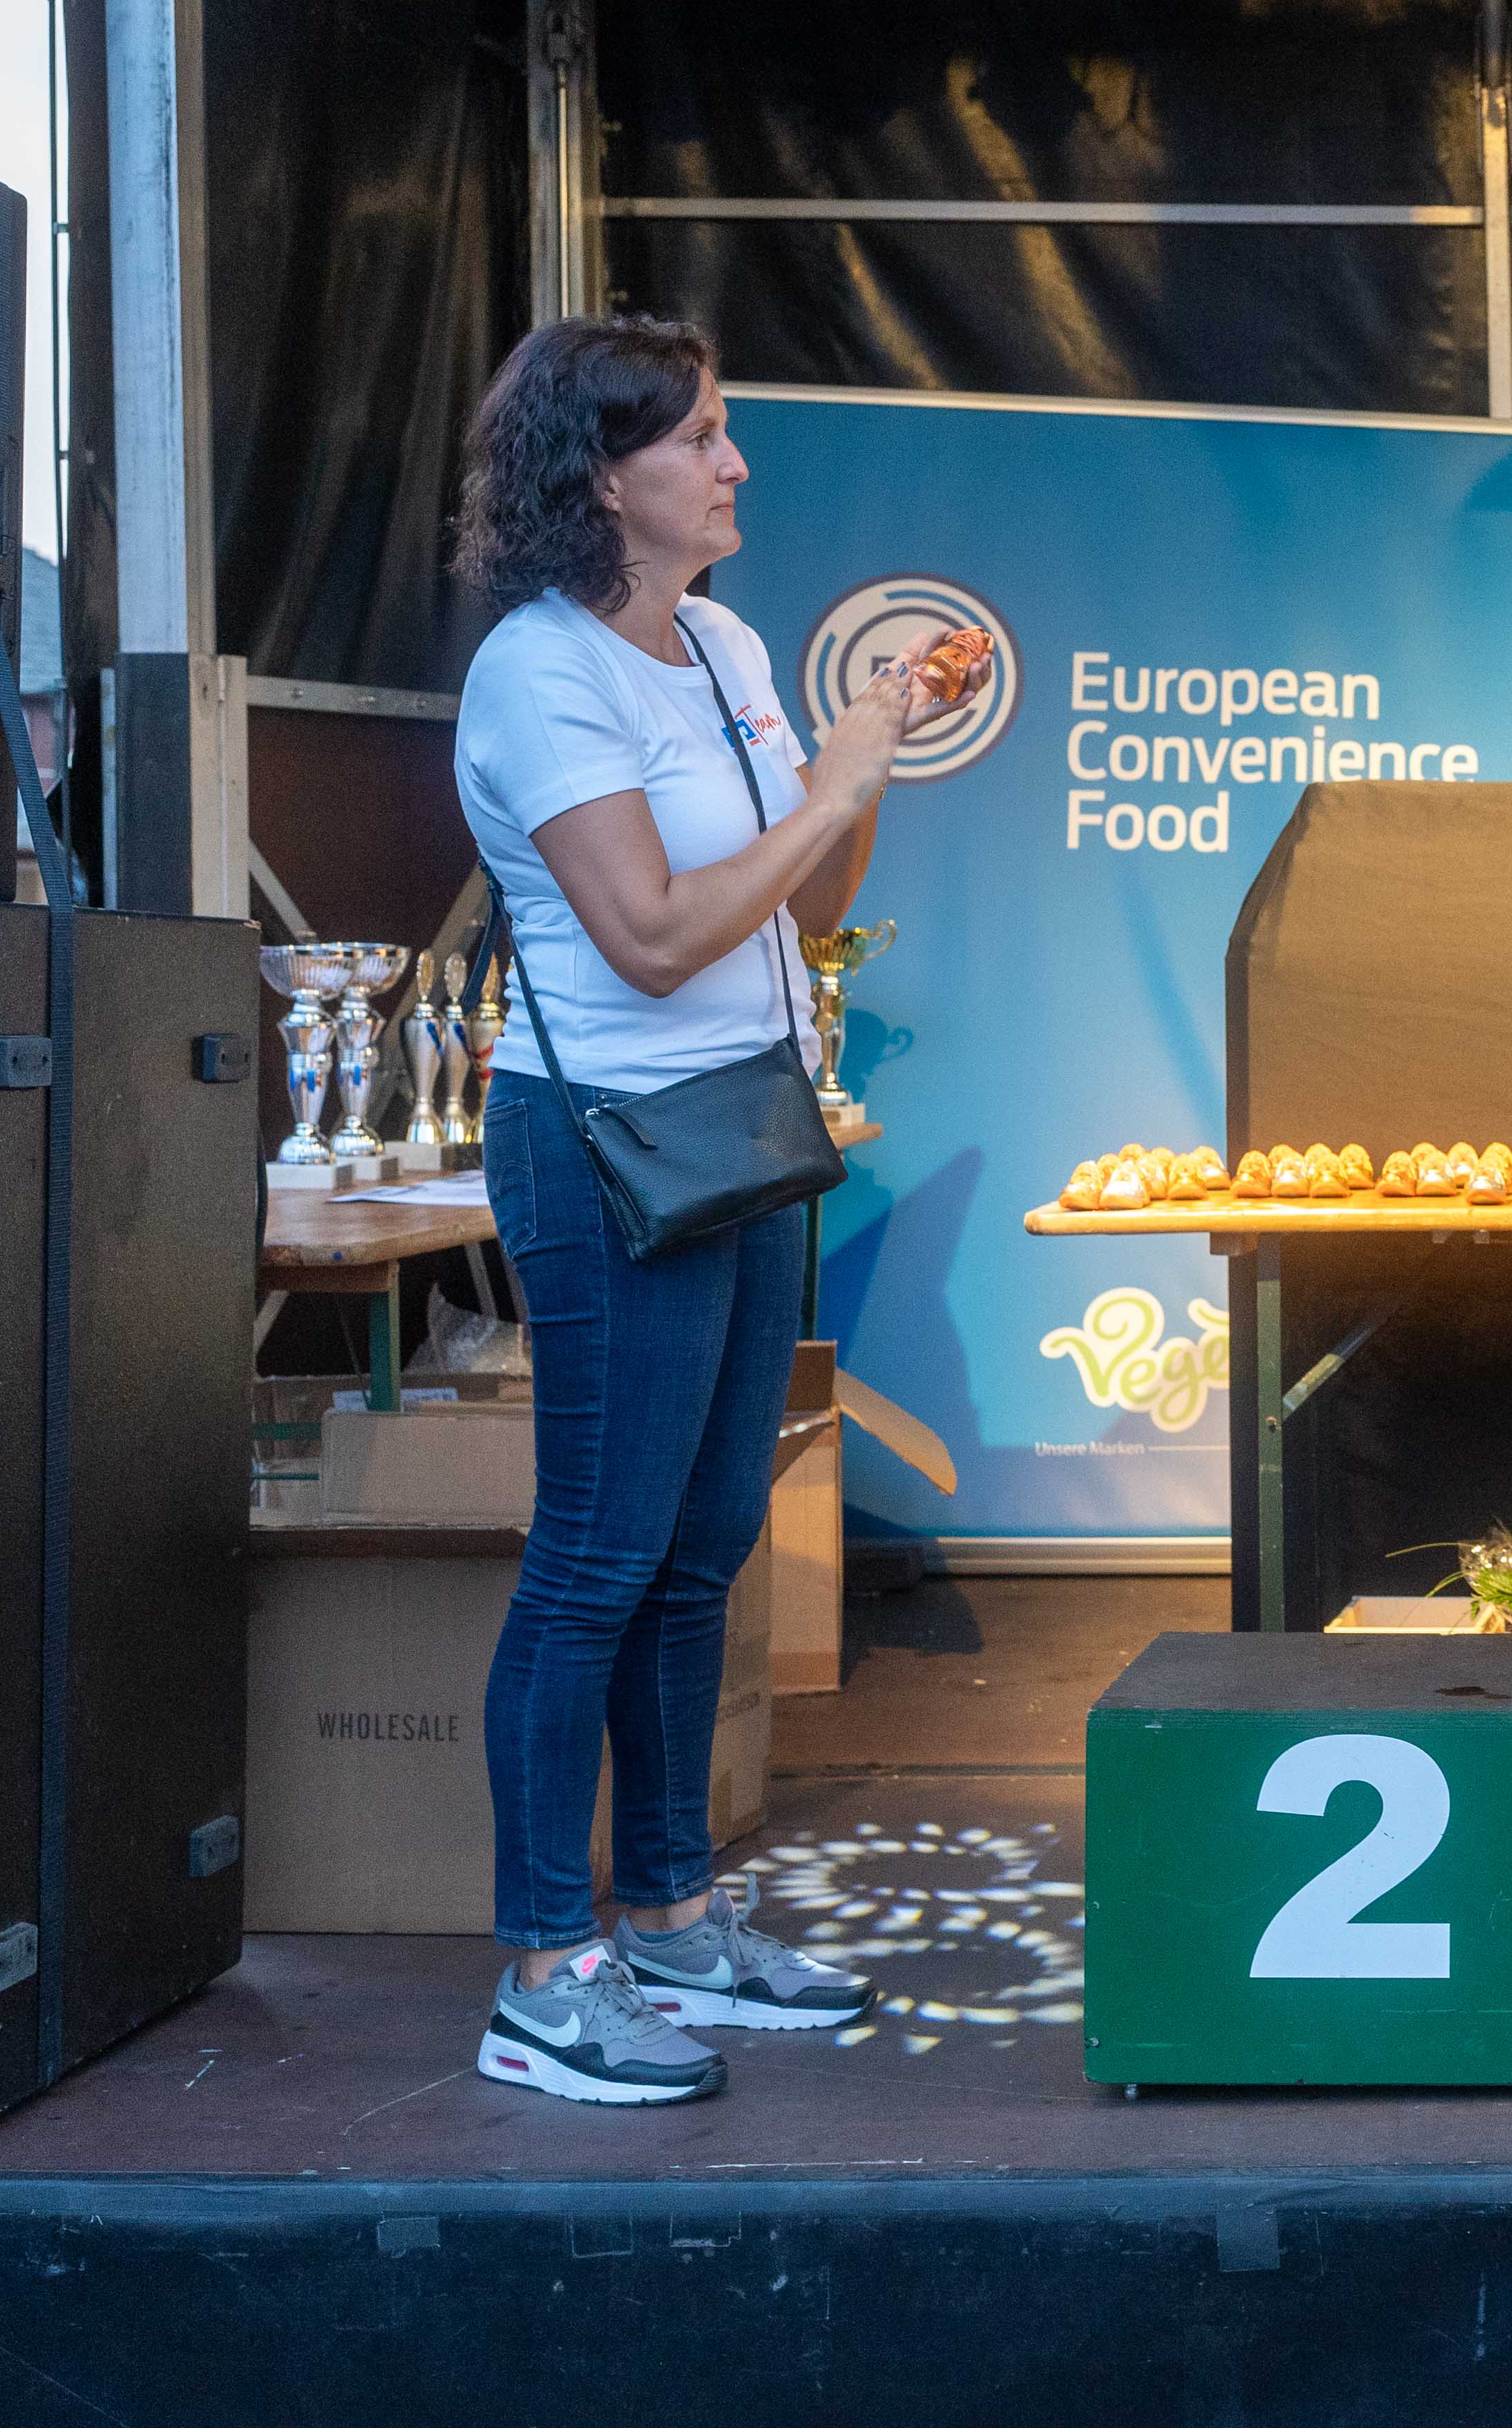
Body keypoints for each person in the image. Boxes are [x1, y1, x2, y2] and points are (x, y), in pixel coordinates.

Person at [450, 313, 960, 2105]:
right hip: (607, 1145)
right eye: (702, 437)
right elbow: (656, 935)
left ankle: (670, 1913)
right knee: (597, 1553)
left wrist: (859, 763)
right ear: (605, 478)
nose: (737, 463)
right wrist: (832, 789)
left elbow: (804, 910)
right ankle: (543, 1969)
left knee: (704, 1544)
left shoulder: (728, 641)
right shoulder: (539, 673)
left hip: (742, 1131)